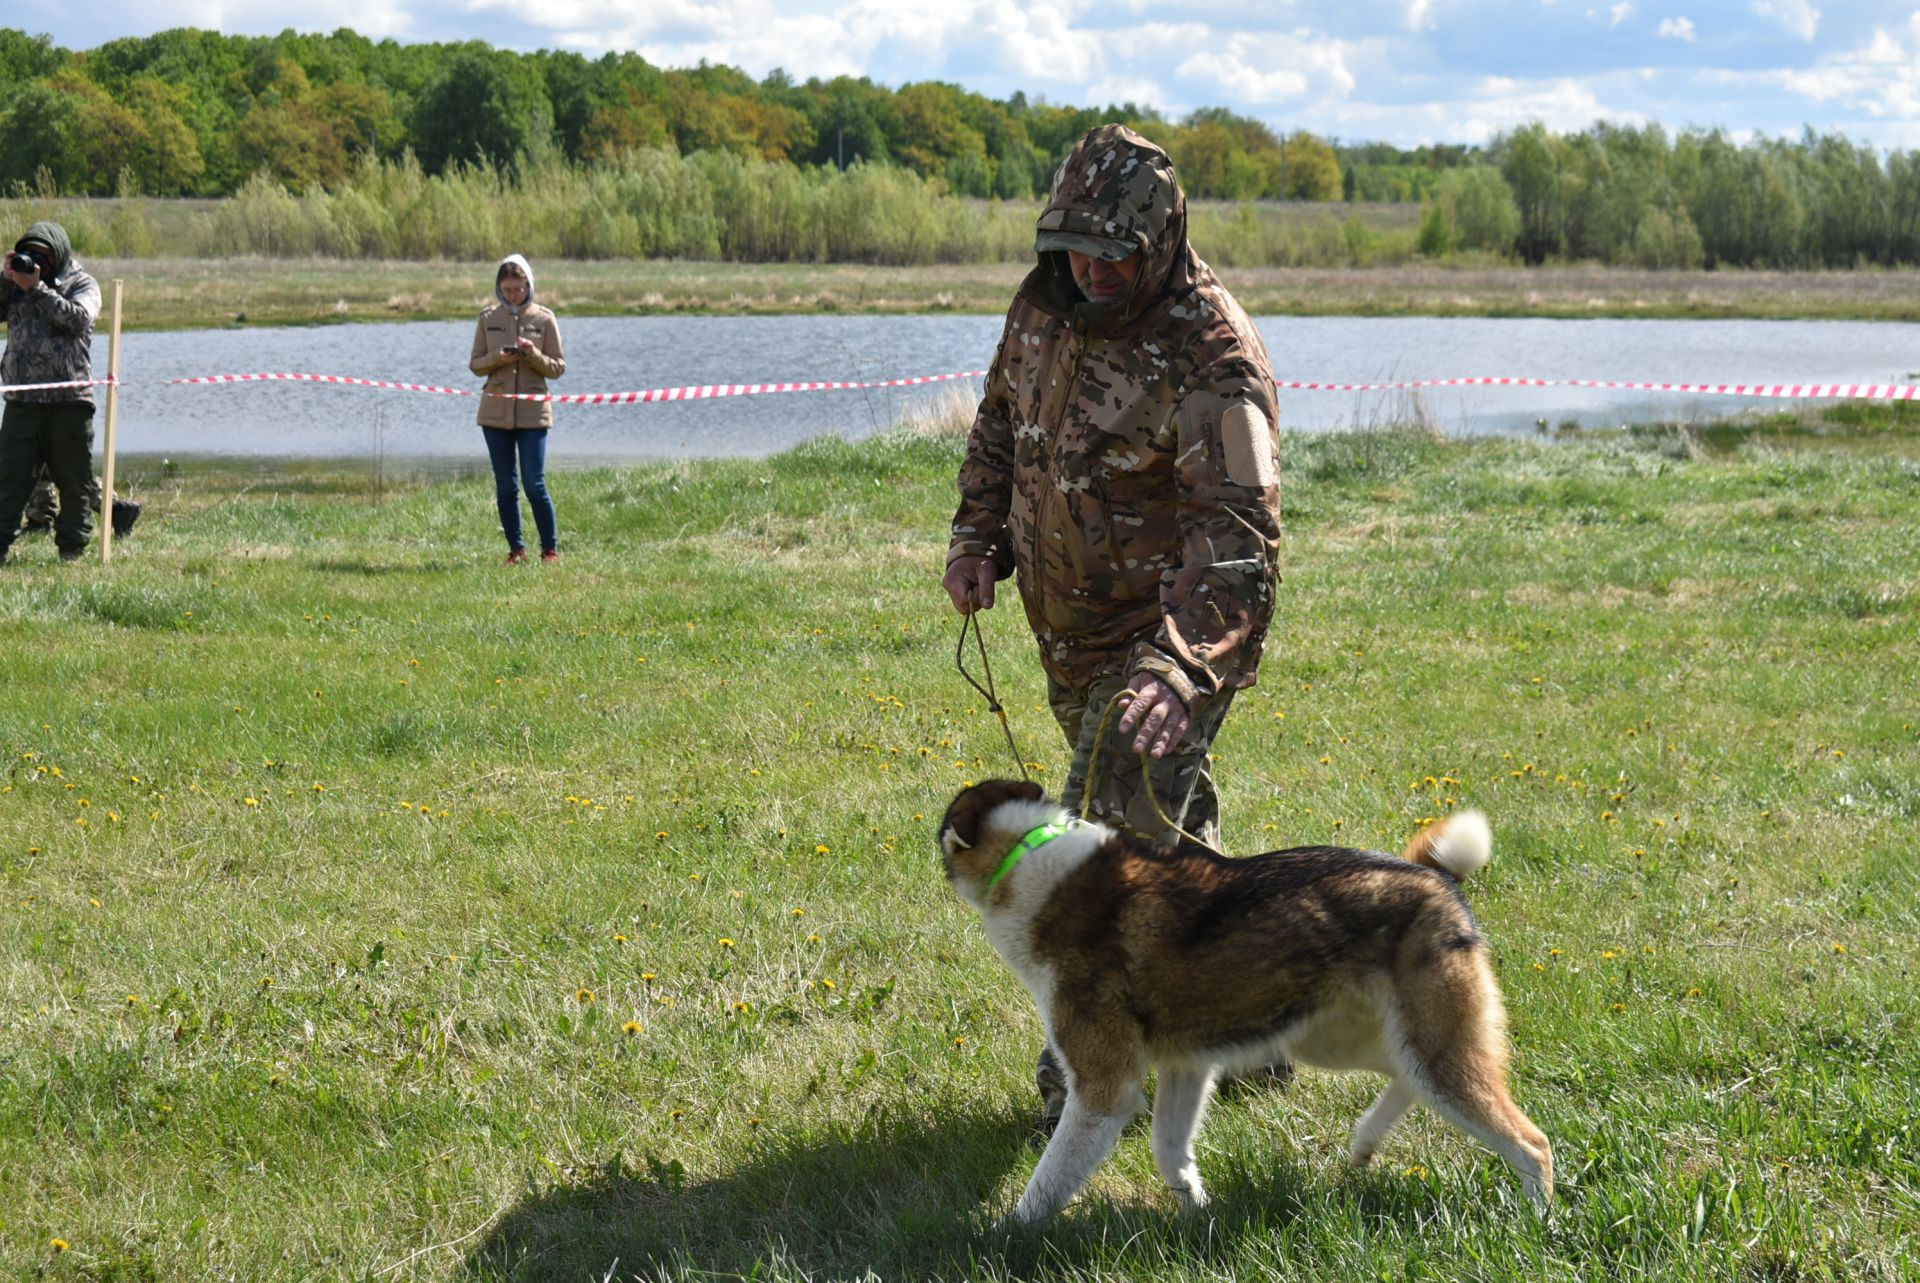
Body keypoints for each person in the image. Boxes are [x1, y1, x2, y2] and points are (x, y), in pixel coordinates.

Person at [942, 124, 1285, 1132]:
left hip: (1164, 638)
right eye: (1075, 245)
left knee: (1102, 852)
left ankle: (1092, 1082)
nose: (1091, 269)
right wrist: (977, 539)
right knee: (1168, 840)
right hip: (1071, 636)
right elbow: (1002, 425)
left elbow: (1239, 535)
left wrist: (1177, 672)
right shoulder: (1046, 303)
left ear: (1161, 239)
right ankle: (1247, 1025)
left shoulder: (1210, 346)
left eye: (1113, 253)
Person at [0, 222, 102, 564]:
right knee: (8, 480)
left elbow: (79, 320)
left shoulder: (82, 283)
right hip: (22, 400)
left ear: (58, 256)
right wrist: (7, 279)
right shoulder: (14, 285)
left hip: (69, 400)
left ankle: (72, 550)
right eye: (30, 255)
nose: (35, 263)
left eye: (43, 256)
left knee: (74, 481)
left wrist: (39, 289)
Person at [470, 254, 566, 564]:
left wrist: (533, 355)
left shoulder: (545, 319)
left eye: (519, 289)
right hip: (494, 415)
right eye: (508, 289)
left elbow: (557, 368)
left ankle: (550, 551)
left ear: (529, 286)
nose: (514, 295)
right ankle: (517, 550)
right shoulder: (487, 319)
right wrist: (498, 357)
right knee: (506, 486)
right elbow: (475, 365)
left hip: (533, 415)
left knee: (534, 484)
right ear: (499, 287)